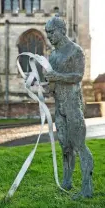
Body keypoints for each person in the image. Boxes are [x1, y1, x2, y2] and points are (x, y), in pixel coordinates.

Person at [45, 14, 93, 199]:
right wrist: (38, 84)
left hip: (73, 106)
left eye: (51, 32)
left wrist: (57, 76)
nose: (49, 36)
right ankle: (67, 181)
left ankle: (87, 187)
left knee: (79, 145)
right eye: (47, 33)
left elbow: (78, 76)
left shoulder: (75, 51)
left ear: (61, 30)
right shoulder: (53, 55)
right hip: (59, 108)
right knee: (65, 146)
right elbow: (51, 86)